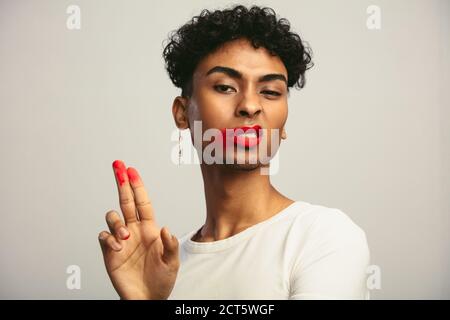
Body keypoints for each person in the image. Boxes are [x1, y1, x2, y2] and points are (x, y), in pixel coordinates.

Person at [98, 4, 370, 300]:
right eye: (226, 87)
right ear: (181, 113)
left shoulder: (323, 236)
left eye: (270, 92)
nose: (251, 105)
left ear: (283, 125)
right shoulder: (166, 268)